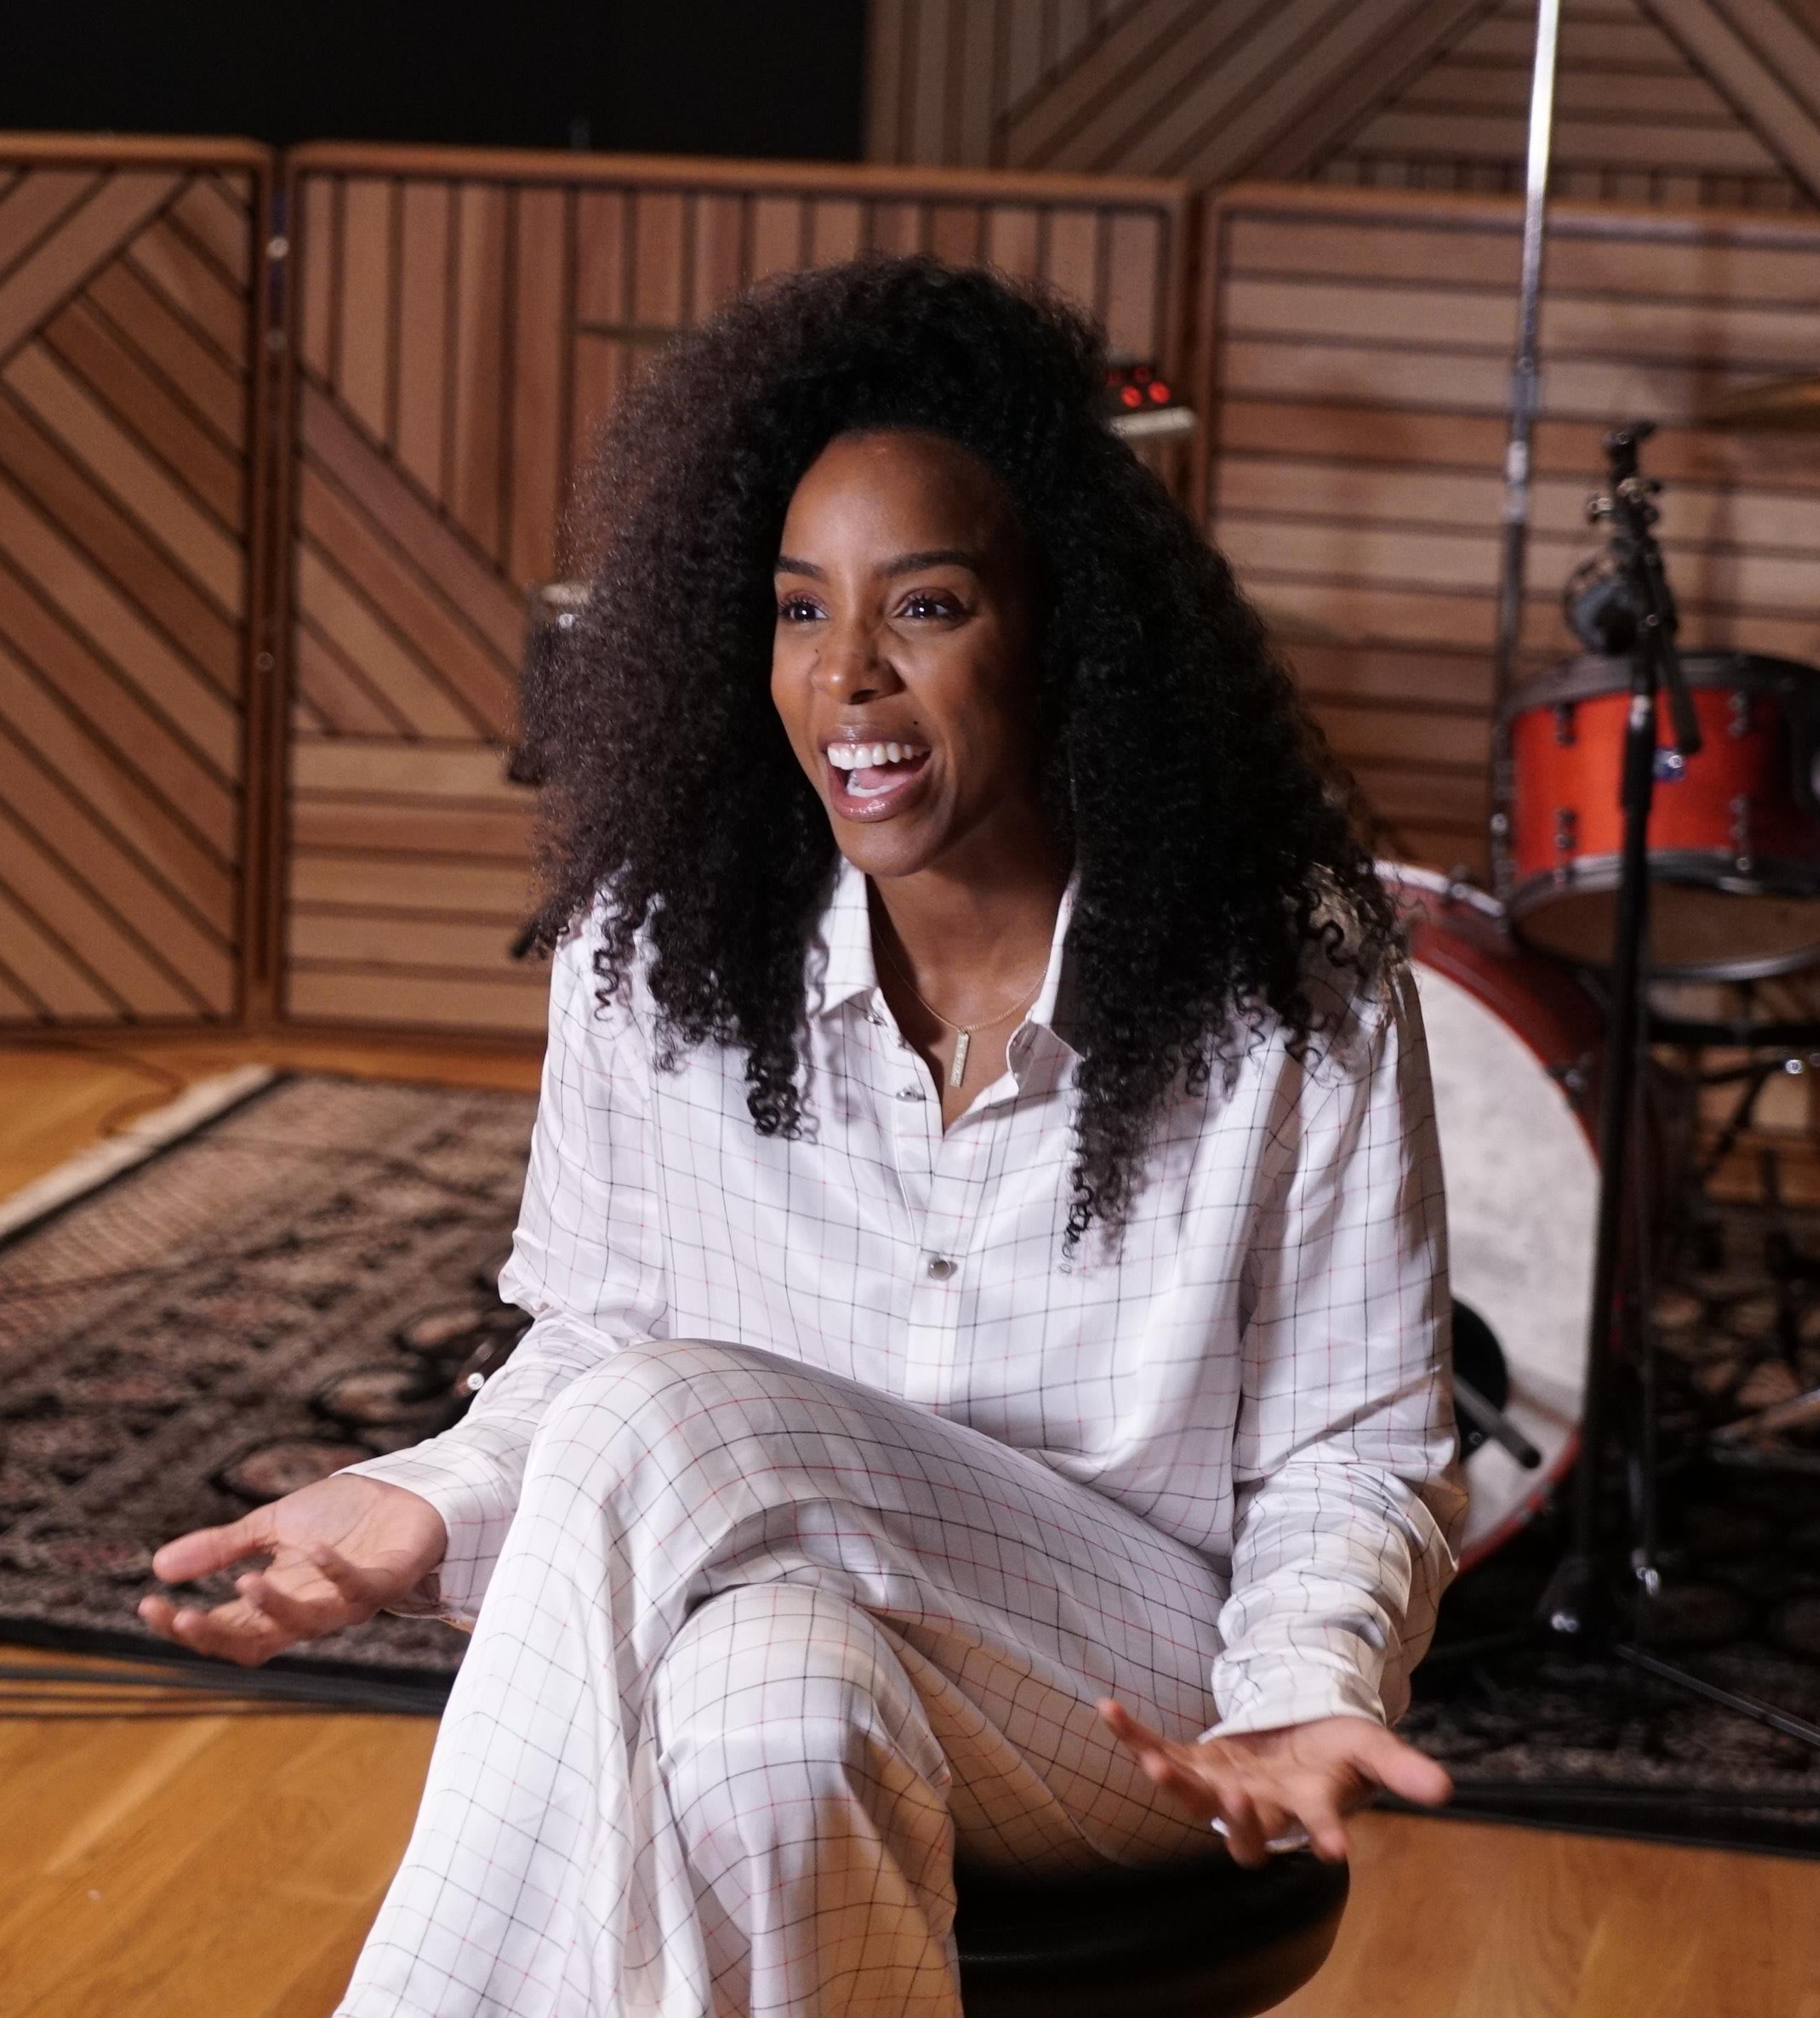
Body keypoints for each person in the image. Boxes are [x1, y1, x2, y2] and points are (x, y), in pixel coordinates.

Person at [141, 254, 1462, 2018]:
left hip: (1138, 1689)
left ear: (1058, 629)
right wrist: (424, 1499)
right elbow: (601, 1334)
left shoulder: (1289, 977)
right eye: (794, 610)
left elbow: (1353, 1445)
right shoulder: (649, 953)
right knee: (759, 1714)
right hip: (790, 1613)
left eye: (924, 607)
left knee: (659, 1419)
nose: (846, 673)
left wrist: (1302, 1691)